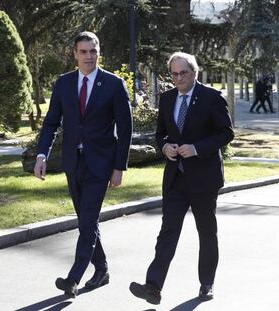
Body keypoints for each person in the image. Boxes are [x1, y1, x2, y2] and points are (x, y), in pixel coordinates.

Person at [129, 52, 234, 305]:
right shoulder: (166, 99)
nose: (178, 79)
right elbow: (161, 135)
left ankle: (206, 283)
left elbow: (226, 133)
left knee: (206, 232)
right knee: (168, 232)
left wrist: (197, 148)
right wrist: (164, 147)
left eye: (183, 73)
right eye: (174, 74)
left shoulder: (211, 98)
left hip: (204, 179)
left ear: (194, 72)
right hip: (176, 178)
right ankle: (153, 287)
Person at [34, 31, 132, 298]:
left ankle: (73, 278)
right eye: (83, 51)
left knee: (88, 218)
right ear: (75, 54)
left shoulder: (113, 84)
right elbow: (51, 122)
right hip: (73, 162)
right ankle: (101, 269)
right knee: (86, 221)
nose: (89, 56)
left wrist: (118, 167)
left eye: (93, 51)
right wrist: (42, 155)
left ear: (99, 52)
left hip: (100, 164)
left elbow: (125, 129)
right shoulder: (64, 83)